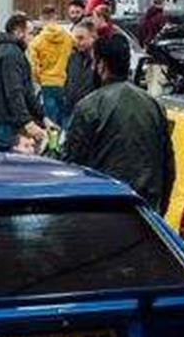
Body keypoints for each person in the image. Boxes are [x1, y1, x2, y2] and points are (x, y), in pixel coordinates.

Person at [60, 32, 173, 208]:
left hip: (104, 208)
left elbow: (73, 165)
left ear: (101, 65)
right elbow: (167, 165)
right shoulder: (153, 105)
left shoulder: (89, 107)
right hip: (145, 209)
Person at [0, 13, 46, 149]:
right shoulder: (12, 54)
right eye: (30, 33)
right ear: (19, 32)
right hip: (5, 123)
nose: (33, 38)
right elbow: (15, 91)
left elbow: (26, 90)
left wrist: (42, 117)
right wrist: (27, 122)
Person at [28, 6, 74, 128]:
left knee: (50, 119)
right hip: (64, 81)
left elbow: (33, 67)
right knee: (65, 116)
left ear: (42, 18)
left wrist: (39, 79)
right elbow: (72, 58)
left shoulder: (37, 41)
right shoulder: (68, 38)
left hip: (47, 82)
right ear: (56, 17)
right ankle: (64, 142)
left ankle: (53, 144)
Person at [62, 20, 99, 112]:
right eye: (75, 38)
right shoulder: (73, 58)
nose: (77, 42)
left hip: (92, 113)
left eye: (81, 38)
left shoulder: (100, 62)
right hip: (73, 111)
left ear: (93, 37)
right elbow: (68, 81)